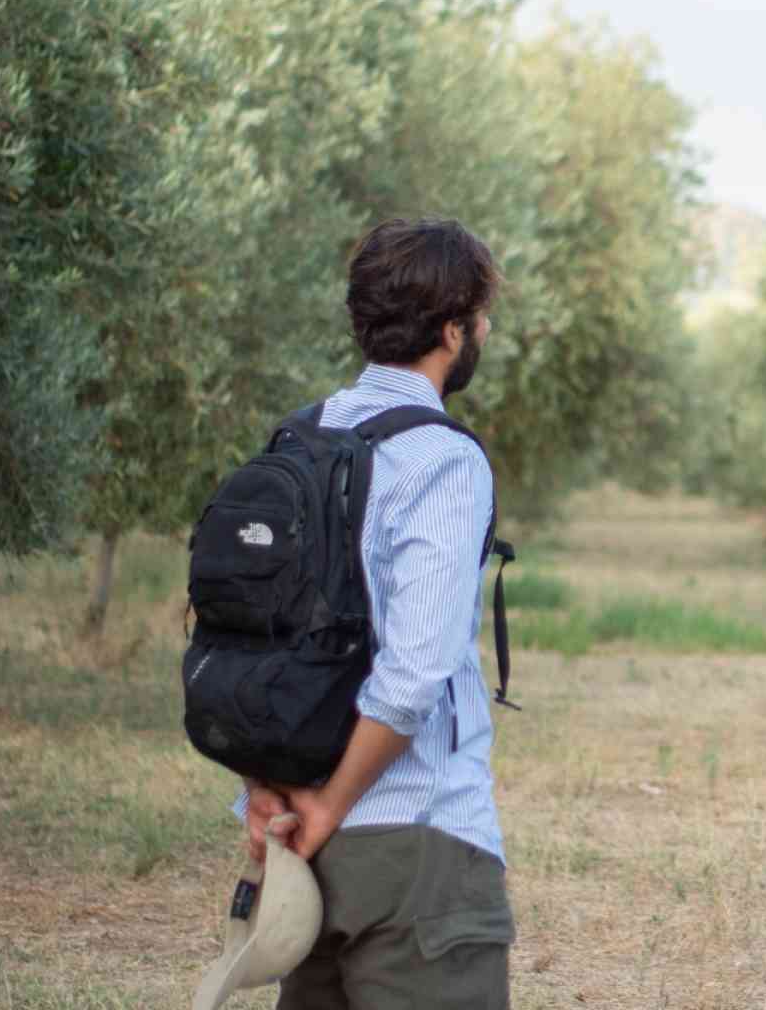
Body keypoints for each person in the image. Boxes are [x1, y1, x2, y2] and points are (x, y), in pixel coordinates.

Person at [236, 217, 515, 1008]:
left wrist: (268, 792)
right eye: (481, 318)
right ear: (453, 330)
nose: (484, 332)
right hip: (415, 843)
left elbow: (241, 633)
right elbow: (415, 672)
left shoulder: (297, 440)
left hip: (296, 845)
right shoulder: (442, 459)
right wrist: (333, 804)